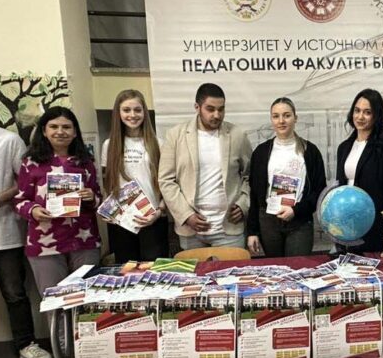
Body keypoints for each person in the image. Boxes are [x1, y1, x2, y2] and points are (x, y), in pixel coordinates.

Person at [13, 108, 102, 301]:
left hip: (84, 241)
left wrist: (91, 197)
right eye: (54, 127)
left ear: (75, 132)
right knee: (55, 304)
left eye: (66, 127)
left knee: (86, 302)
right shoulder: (31, 163)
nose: (60, 131)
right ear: (44, 131)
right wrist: (34, 210)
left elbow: (98, 200)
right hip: (45, 244)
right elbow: (20, 200)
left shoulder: (86, 162)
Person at [0, 123, 52, 358]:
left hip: (5, 233)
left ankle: (26, 344)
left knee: (15, 294)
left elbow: (24, 183)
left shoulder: (9, 140)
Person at [159, 83, 251, 250]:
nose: (217, 115)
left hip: (229, 228)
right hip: (191, 229)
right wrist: (186, 215)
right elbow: (166, 180)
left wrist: (243, 204)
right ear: (197, 107)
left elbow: (249, 175)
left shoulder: (238, 135)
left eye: (221, 109)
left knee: (234, 267)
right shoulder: (175, 135)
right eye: (210, 109)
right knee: (194, 269)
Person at [246, 97, 326, 257]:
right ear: (271, 120)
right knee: (275, 268)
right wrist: (252, 231)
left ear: (295, 118)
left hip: (300, 221)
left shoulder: (310, 151)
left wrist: (296, 211)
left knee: (298, 267)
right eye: (276, 116)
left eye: (287, 115)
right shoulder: (261, 152)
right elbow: (254, 194)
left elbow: (319, 190)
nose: (281, 121)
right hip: (268, 222)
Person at [101, 89, 168, 263]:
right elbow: (108, 183)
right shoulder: (109, 145)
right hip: (123, 221)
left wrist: (159, 211)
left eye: (137, 110)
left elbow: (167, 183)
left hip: (152, 219)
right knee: (127, 272)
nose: (132, 115)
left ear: (144, 112)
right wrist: (109, 210)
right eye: (126, 110)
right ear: (118, 113)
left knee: (155, 272)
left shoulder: (158, 144)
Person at [336, 88, 383, 253]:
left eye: (367, 112)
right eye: (357, 111)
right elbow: (339, 188)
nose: (360, 117)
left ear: (377, 116)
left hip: (373, 226)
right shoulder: (344, 148)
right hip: (346, 226)